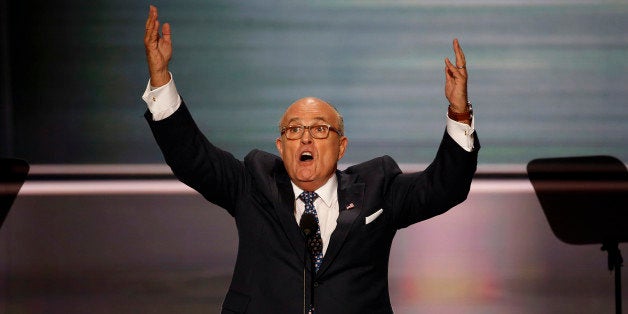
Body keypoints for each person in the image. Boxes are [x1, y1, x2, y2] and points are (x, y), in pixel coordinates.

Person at [142, 5, 479, 314]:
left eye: (319, 129)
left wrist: (459, 112)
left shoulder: (379, 187)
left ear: (341, 146)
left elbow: (444, 187)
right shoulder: (252, 183)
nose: (304, 137)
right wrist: (160, 78)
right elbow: (192, 157)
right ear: (280, 145)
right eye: (293, 130)